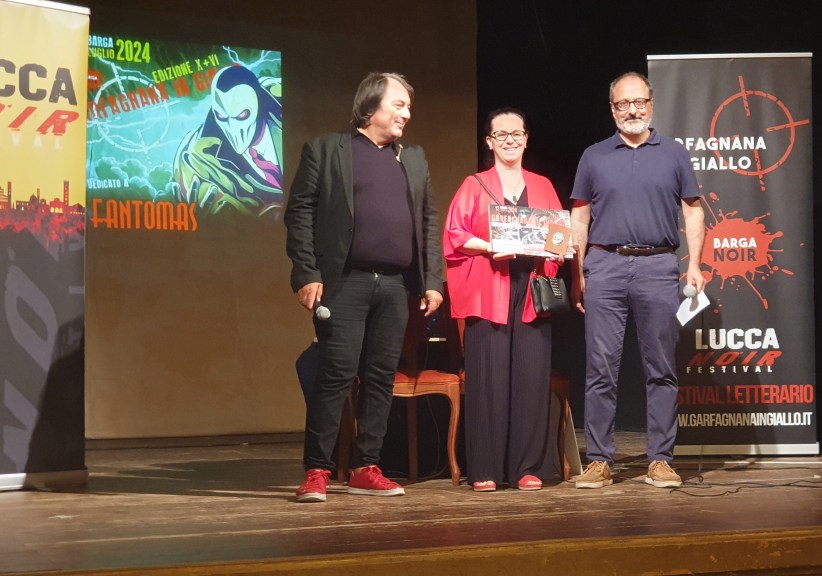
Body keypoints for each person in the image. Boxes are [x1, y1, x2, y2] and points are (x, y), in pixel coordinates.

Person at [285, 72, 444, 502]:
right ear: (371, 105)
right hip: (345, 282)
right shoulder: (327, 150)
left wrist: (432, 280)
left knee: (379, 378)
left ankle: (365, 467)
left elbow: (428, 222)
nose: (406, 114)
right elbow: (300, 213)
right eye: (399, 105)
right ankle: (317, 469)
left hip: (395, 286)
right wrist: (307, 272)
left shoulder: (413, 159)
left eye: (409, 107)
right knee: (335, 375)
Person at [569, 72, 706, 489]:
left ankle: (660, 459)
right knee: (600, 369)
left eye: (639, 102)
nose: (632, 110)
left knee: (661, 368)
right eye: (623, 103)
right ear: (612, 108)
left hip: (658, 266)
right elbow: (579, 216)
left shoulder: (674, 153)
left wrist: (695, 264)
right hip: (605, 266)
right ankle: (599, 460)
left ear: (651, 104)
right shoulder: (593, 156)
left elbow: (693, 210)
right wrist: (578, 271)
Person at [443, 108, 563, 491]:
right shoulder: (474, 185)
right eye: (501, 134)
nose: (510, 140)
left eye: (517, 133)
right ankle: (486, 469)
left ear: (526, 139)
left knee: (531, 377)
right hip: (488, 289)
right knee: (488, 380)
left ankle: (528, 467)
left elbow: (558, 236)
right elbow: (455, 234)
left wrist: (559, 248)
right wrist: (490, 246)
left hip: (532, 290)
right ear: (489, 142)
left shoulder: (543, 185)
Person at [175, 65, 284, 218]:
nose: (232, 127)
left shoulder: (281, 98)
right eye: (222, 117)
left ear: (258, 101)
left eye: (242, 115)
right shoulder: (199, 159)